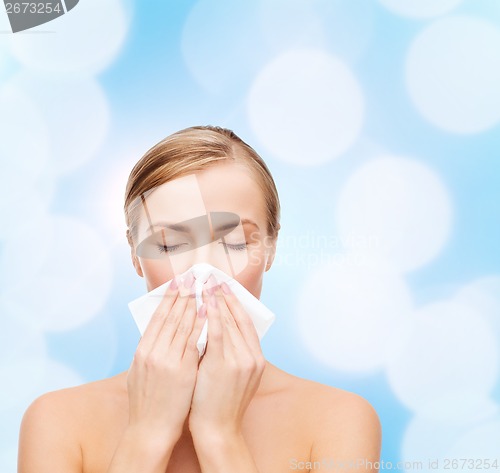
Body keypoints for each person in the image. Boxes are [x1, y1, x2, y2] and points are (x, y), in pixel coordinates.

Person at [18, 125, 381, 473]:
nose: (202, 271)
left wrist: (220, 435)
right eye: (170, 244)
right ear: (134, 256)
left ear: (270, 249)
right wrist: (147, 434)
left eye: (236, 242)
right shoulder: (56, 422)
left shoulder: (339, 420)